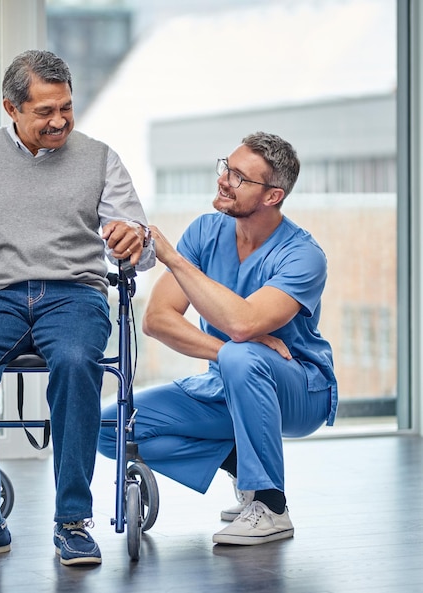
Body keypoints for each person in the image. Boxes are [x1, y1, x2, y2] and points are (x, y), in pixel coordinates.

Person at [0, 49, 154, 565]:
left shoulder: (101, 158)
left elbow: (142, 249)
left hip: (75, 292)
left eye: (66, 108)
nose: (59, 120)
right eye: (44, 111)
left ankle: (73, 521)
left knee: (79, 362)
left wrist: (134, 238)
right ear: (11, 108)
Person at [99, 131, 338, 546]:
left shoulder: (303, 256)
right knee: (107, 426)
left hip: (300, 390)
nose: (224, 180)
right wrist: (225, 352)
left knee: (243, 355)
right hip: (226, 382)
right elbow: (157, 319)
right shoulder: (207, 232)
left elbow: (244, 325)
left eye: (239, 177)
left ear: (272, 196)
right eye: (226, 167)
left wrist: (171, 256)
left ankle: (270, 504)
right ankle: (244, 468)